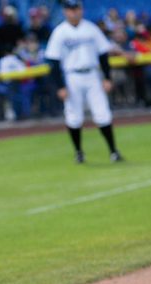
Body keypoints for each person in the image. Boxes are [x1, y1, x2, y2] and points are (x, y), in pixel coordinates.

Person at [45, 0, 122, 164]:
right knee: (74, 116)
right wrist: (59, 86)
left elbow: (103, 55)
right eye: (70, 9)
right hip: (72, 77)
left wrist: (107, 77)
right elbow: (53, 62)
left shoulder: (91, 29)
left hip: (93, 75)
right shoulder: (60, 32)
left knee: (102, 113)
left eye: (76, 8)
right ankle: (79, 152)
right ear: (65, 11)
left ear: (81, 9)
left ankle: (113, 151)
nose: (74, 12)